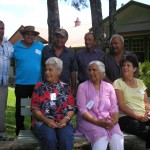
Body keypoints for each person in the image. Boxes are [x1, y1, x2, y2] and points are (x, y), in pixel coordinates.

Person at [76, 60, 124, 150]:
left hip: (107, 119)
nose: (91, 72)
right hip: (88, 120)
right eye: (89, 70)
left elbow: (114, 107)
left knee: (116, 136)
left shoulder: (109, 87)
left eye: (94, 70)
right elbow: (82, 109)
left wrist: (114, 120)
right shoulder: (82, 87)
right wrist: (96, 122)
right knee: (101, 135)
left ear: (102, 73)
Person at [31, 57, 76, 150]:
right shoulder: (39, 86)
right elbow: (34, 109)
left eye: (50, 70)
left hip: (63, 123)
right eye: (46, 69)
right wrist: (46, 120)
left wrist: (65, 120)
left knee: (66, 138)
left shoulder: (65, 87)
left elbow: (71, 108)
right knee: (50, 138)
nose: (47, 72)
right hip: (42, 122)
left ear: (59, 71)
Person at [113, 54, 150, 150]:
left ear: (134, 69)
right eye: (123, 65)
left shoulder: (140, 83)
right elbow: (121, 105)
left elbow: (146, 103)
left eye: (128, 65)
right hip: (126, 118)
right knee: (148, 131)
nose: (125, 68)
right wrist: (138, 117)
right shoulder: (118, 83)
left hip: (143, 117)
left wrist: (148, 113)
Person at [13, 26, 44, 135]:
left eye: (32, 34)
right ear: (23, 35)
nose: (30, 36)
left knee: (35, 109)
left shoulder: (40, 46)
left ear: (35, 36)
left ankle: (34, 129)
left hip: (36, 84)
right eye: (28, 34)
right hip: (21, 84)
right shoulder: (15, 47)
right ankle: (19, 131)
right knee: (20, 109)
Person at [42, 28, 78, 97]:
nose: (59, 39)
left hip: (65, 87)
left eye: (62, 37)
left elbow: (73, 71)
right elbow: (43, 67)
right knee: (50, 104)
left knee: (63, 106)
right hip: (48, 86)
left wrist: (74, 88)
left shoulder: (70, 53)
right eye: (57, 37)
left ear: (66, 39)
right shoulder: (46, 50)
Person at [0, 20, 14, 141]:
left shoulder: (9, 45)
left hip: (3, 84)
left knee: (1, 109)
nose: (1, 30)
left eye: (2, 28)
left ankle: (2, 134)